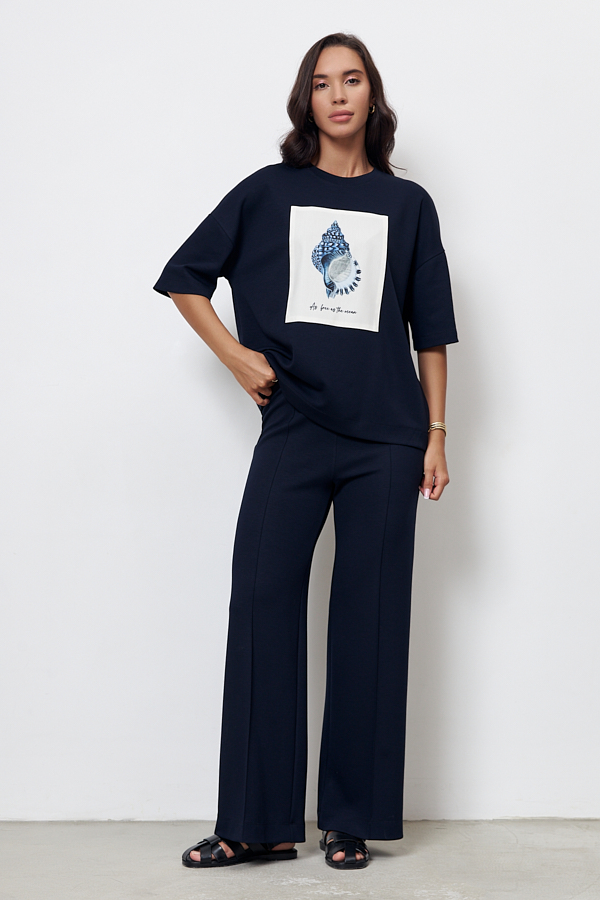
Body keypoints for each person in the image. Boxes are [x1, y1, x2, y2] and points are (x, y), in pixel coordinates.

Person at [153, 31, 458, 871]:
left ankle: (350, 821)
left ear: (371, 95)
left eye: (351, 80)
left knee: (369, 622)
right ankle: (257, 824)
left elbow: (431, 331)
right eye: (322, 83)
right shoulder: (268, 192)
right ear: (307, 100)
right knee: (262, 602)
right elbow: (185, 276)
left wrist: (436, 434)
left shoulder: (408, 205)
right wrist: (238, 357)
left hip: (388, 440)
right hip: (294, 426)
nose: (338, 95)